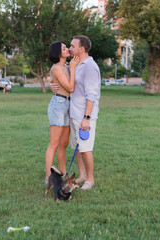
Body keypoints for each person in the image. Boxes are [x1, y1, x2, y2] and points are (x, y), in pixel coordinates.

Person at [51, 35, 101, 190]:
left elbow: (91, 94)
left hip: (84, 115)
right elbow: (60, 76)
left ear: (82, 49)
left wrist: (87, 117)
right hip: (74, 112)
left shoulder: (89, 66)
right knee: (78, 147)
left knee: (86, 148)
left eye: (72, 46)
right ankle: (82, 175)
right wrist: (51, 84)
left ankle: (90, 179)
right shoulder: (76, 64)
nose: (70, 49)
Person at [45, 41, 80, 185]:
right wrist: (72, 67)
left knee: (63, 143)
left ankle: (63, 172)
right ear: (58, 53)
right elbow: (70, 88)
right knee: (54, 143)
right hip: (58, 105)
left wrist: (71, 67)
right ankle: (49, 177)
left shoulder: (64, 67)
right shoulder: (58, 68)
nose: (67, 49)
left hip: (67, 104)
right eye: (64, 48)